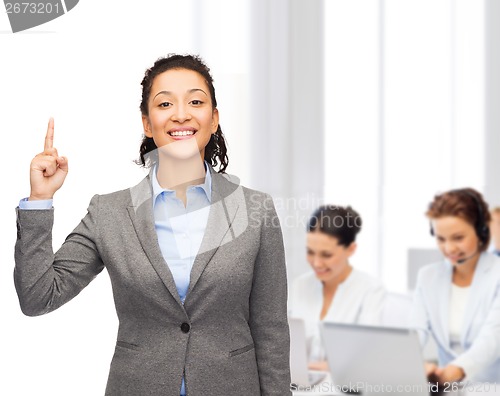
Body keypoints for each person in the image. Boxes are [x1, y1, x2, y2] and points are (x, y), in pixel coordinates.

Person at [14, 54, 291, 395]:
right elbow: (38, 297)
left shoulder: (255, 208)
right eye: (164, 104)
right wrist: (40, 200)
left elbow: (271, 328)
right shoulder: (109, 212)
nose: (180, 114)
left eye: (195, 101)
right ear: (147, 123)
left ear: (214, 118)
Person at [411, 188, 500, 384]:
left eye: (458, 238)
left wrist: (455, 371)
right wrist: (410, 364)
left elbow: (492, 340)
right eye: (441, 239)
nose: (449, 248)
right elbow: (416, 331)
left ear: (481, 233)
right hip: (446, 388)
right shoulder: (428, 277)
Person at [289, 205, 386, 371]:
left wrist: (316, 368)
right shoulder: (299, 286)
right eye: (310, 252)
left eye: (326, 255)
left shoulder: (370, 290)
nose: (317, 263)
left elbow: (367, 358)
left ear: (351, 249)